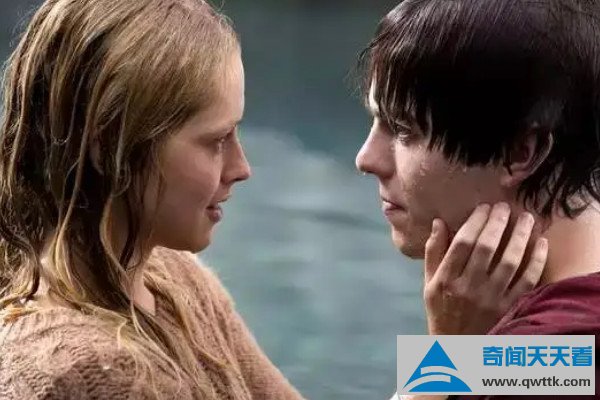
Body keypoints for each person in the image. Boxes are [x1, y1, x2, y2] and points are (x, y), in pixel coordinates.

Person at [0, 0, 548, 399]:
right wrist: (453, 355)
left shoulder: (169, 277)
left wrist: (524, 365)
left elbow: (576, 369)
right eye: (216, 140)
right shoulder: (72, 376)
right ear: (107, 145)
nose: (242, 168)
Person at [356, 0, 600, 399]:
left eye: (403, 130)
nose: (366, 159)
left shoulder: (561, 356)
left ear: (519, 152)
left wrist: (448, 359)